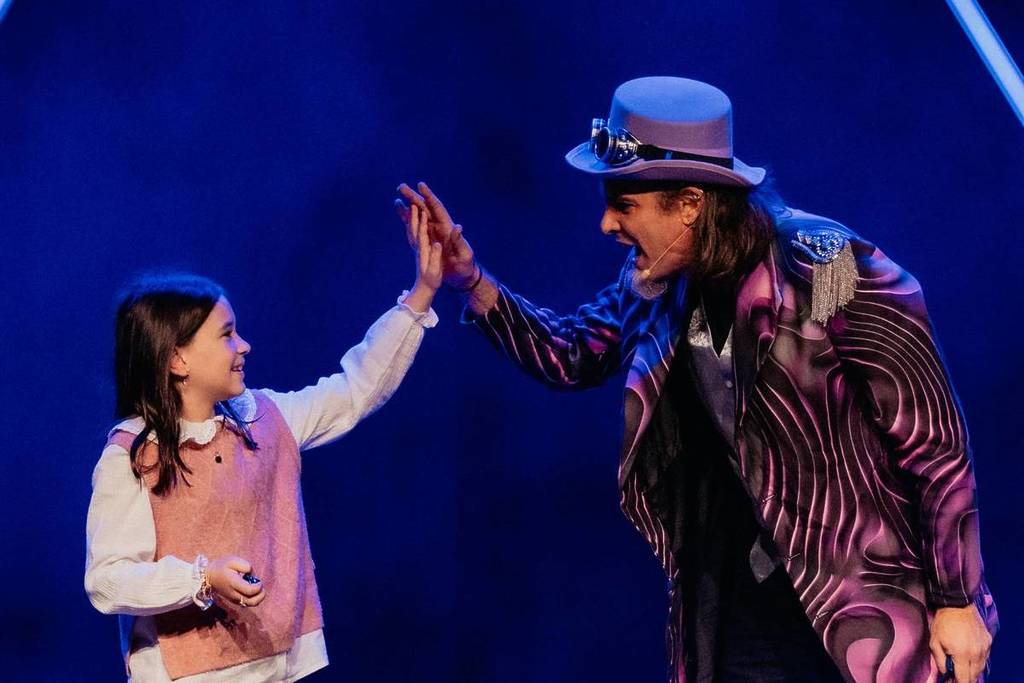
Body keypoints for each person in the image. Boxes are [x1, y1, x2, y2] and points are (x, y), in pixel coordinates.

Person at [395, 77, 998, 682]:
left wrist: (956, 597)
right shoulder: (658, 286)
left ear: (689, 205)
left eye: (624, 205)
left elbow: (932, 441)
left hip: (862, 606)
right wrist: (472, 282)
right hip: (737, 609)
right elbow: (573, 353)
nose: (606, 224)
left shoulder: (824, 266)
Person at [85, 207, 442, 681]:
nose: (245, 346)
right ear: (177, 360)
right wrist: (202, 577)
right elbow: (107, 579)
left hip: (281, 666)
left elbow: (354, 390)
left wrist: (420, 296)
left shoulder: (265, 419)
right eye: (227, 335)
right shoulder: (133, 456)